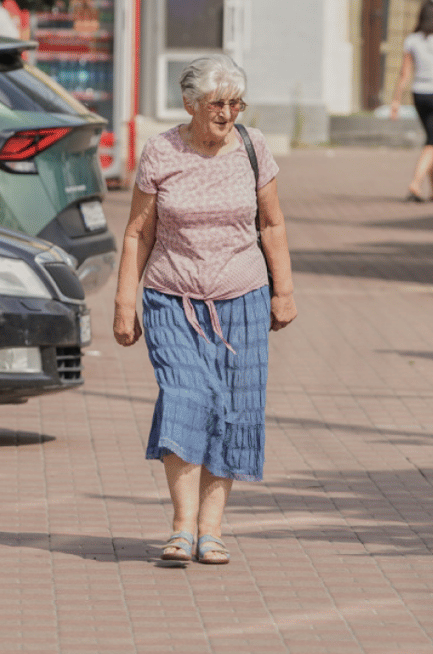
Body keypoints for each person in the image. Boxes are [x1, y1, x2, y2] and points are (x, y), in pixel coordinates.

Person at [113, 55, 296, 566]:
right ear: (191, 103)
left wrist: (283, 290)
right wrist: (125, 303)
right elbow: (138, 233)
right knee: (184, 397)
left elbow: (273, 224)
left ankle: (211, 530)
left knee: (234, 412)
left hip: (243, 298)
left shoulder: (254, 149)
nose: (227, 113)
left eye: (236, 103)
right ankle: (181, 525)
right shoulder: (161, 152)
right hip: (172, 299)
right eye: (217, 104)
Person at [390, 1, 433, 202]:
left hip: (419, 94)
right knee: (432, 141)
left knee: (432, 138)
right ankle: (415, 184)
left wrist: (396, 101)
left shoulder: (412, 39)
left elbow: (404, 73)